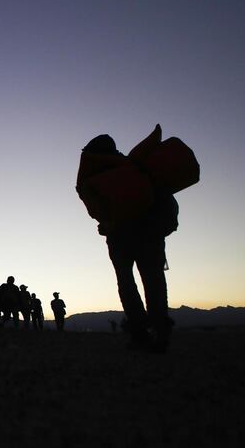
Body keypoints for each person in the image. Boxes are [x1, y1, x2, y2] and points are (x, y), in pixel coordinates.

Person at [78, 133, 180, 352]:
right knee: (154, 280)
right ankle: (161, 331)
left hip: (119, 238)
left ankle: (138, 333)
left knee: (126, 283)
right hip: (150, 235)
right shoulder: (137, 166)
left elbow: (96, 210)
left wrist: (107, 225)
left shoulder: (95, 173)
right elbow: (161, 196)